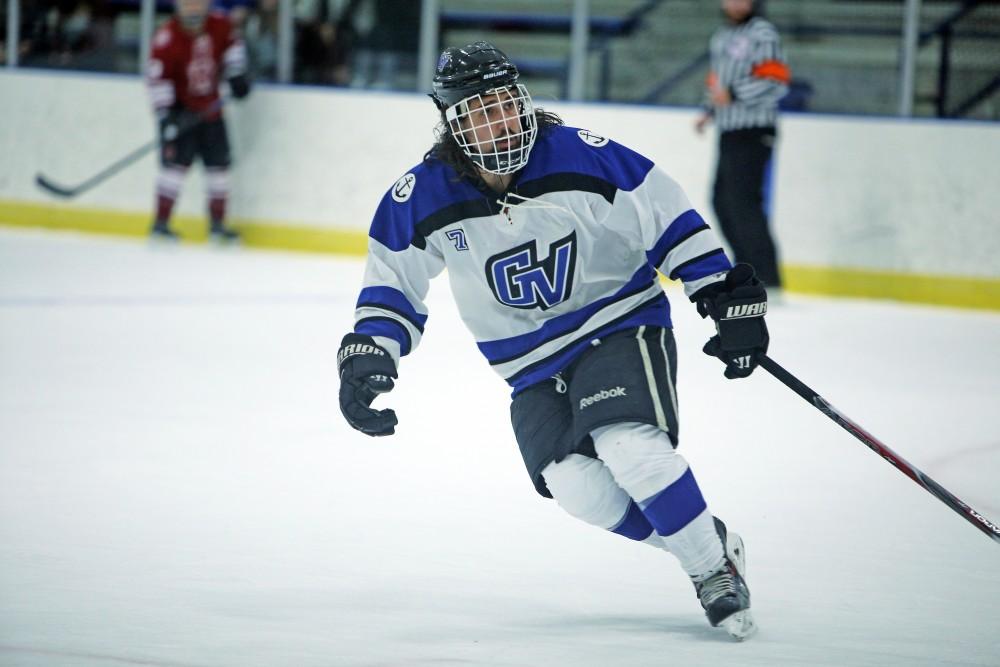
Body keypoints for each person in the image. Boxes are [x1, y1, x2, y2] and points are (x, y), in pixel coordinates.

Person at [337, 41, 770, 640]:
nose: (500, 121)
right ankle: (705, 542)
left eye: (505, 104)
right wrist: (369, 354)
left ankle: (711, 572)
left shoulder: (580, 155)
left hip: (618, 322)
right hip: (530, 367)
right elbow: (392, 287)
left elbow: (665, 215)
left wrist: (722, 292)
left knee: (630, 447)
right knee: (578, 491)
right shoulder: (420, 198)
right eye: (480, 112)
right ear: (452, 123)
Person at [695, 0, 789, 291]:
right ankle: (748, 270)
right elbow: (717, 81)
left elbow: (777, 81)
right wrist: (709, 111)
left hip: (754, 129)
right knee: (722, 202)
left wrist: (734, 94)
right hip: (729, 129)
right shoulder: (721, 36)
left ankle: (767, 278)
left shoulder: (764, 34)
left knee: (744, 204)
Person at [146, 0, 251, 241]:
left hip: (212, 113)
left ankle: (217, 226)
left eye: (198, 3)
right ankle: (160, 224)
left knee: (219, 168)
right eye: (187, 4)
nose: (193, 8)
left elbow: (233, 48)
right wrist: (167, 117)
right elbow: (158, 79)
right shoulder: (166, 38)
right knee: (173, 169)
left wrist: (237, 75)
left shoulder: (220, 25)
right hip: (182, 113)